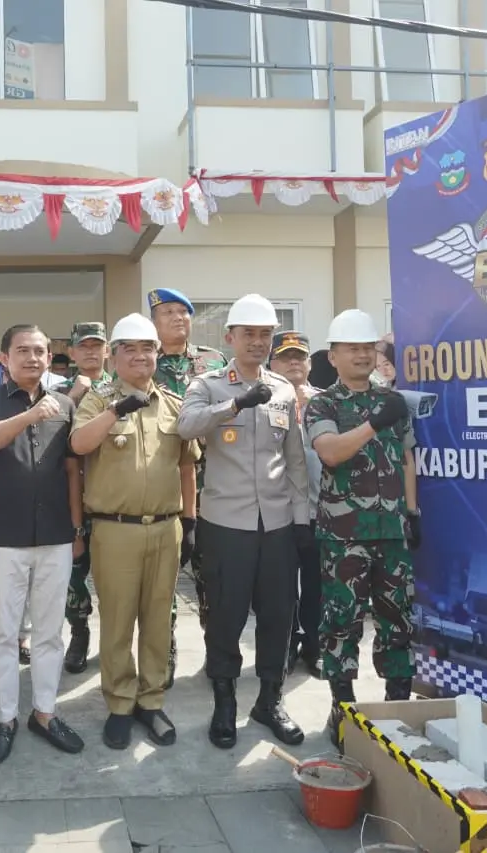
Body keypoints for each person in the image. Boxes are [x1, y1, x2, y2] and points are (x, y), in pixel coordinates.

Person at [177, 295, 311, 749]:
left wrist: (300, 521)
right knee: (226, 616)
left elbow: (294, 461)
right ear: (230, 337)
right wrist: (235, 405)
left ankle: (270, 699)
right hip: (225, 523)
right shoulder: (209, 384)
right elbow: (186, 426)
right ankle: (225, 700)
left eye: (265, 335)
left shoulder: (283, 389)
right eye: (248, 334)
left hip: (275, 522)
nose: (257, 342)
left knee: (278, 615)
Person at [70, 313, 199, 749]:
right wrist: (114, 411)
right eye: (130, 348)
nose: (141, 356)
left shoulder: (173, 403)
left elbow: (187, 466)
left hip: (166, 528)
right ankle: (120, 704)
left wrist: (191, 521)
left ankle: (152, 700)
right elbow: (79, 444)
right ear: (115, 355)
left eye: (148, 348)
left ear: (157, 354)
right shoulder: (96, 398)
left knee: (159, 620)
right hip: (115, 529)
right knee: (119, 621)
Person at [0, 324, 85, 764]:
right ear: (4, 358)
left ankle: (45, 712)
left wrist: (76, 529)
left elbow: (73, 471)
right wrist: (30, 416)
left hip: (55, 534)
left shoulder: (67, 405)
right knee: (2, 632)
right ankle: (4, 719)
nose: (33, 358)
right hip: (3, 536)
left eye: (40, 351)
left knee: (50, 632)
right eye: (23, 351)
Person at [303, 309, 420, 744]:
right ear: (333, 356)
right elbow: (330, 452)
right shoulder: (324, 403)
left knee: (398, 623)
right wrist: (373, 424)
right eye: (351, 348)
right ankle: (344, 710)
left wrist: (413, 512)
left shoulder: (393, 400)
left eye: (368, 348)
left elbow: (408, 458)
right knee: (342, 624)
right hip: (343, 536)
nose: (361, 355)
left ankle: (396, 708)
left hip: (391, 532)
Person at [148, 287, 227, 687]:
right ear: (154, 320)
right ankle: (165, 654)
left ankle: (216, 651)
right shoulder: (144, 362)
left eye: (184, 312)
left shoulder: (214, 363)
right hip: (162, 483)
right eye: (168, 312)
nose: (178, 318)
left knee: (210, 575)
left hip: (212, 486)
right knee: (163, 579)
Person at [54, 321, 111, 673]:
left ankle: (115, 641)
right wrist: (74, 395)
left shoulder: (121, 389)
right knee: (73, 575)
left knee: (116, 577)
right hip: (70, 497)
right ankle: (79, 632)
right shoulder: (57, 391)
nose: (91, 352)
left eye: (97, 346)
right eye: (83, 346)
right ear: (72, 353)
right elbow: (46, 439)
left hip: (111, 497)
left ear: (107, 351)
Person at [268, 331, 323, 677]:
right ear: (271, 363)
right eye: (286, 357)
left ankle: (314, 647)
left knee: (317, 587)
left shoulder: (327, 401)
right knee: (281, 587)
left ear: (310, 363)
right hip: (280, 512)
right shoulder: (263, 400)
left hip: (321, 511)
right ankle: (285, 647)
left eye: (299, 357)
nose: (293, 363)